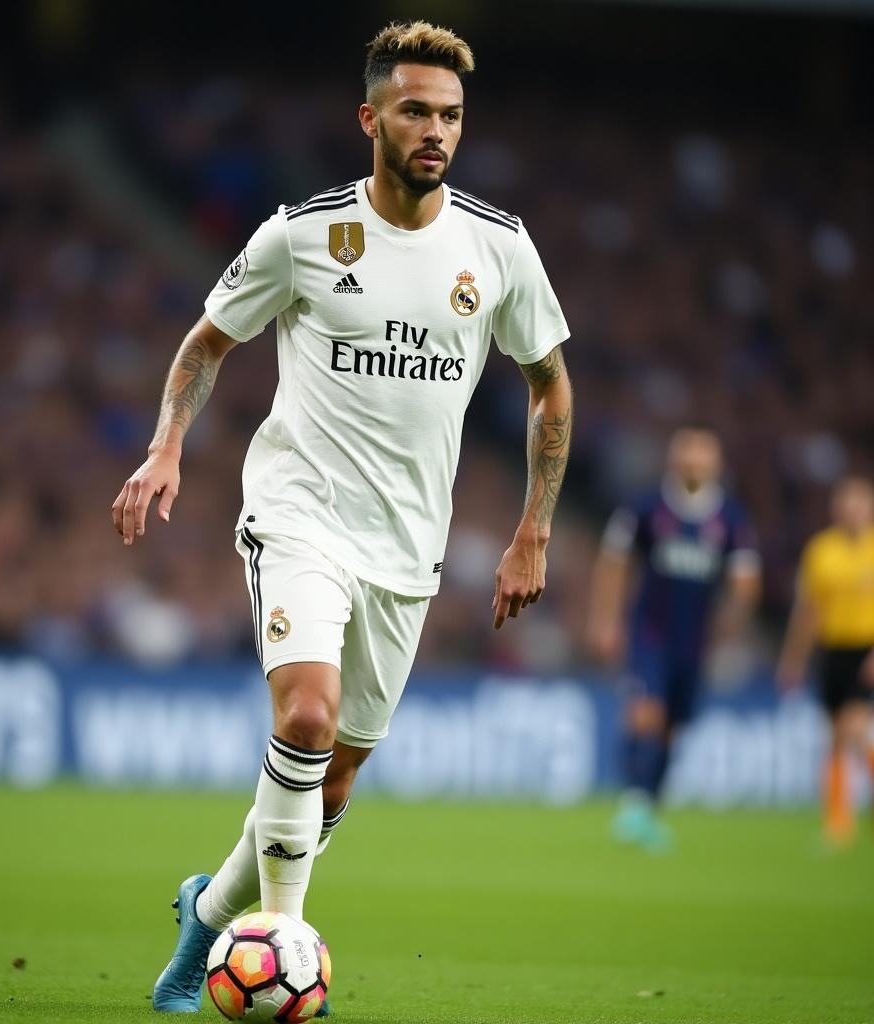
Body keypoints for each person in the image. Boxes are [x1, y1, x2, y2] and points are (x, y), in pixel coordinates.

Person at [111, 20, 573, 1015]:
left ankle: (209, 916)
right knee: (306, 717)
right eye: (415, 110)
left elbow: (549, 386)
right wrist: (164, 446)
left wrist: (533, 527)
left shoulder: (497, 248)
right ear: (371, 117)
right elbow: (205, 343)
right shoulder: (305, 233)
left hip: (409, 548)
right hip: (298, 513)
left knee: (329, 783)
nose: (435, 130)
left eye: (450, 115)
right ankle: (281, 946)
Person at [586, 426, 760, 850]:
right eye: (687, 453)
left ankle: (648, 807)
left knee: (671, 729)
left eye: (703, 455)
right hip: (649, 631)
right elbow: (613, 562)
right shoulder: (646, 508)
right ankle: (632, 802)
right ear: (673, 459)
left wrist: (736, 616)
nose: (694, 462)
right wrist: (605, 620)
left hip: (695, 640)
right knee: (645, 711)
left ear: (716, 464)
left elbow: (746, 579)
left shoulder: (730, 518)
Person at [776, 475, 874, 846]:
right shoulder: (821, 550)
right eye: (846, 501)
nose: (852, 509)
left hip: (866, 649)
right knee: (834, 739)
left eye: (860, 502)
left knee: (854, 730)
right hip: (832, 652)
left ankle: (840, 824)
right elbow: (808, 611)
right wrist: (793, 659)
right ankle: (838, 824)